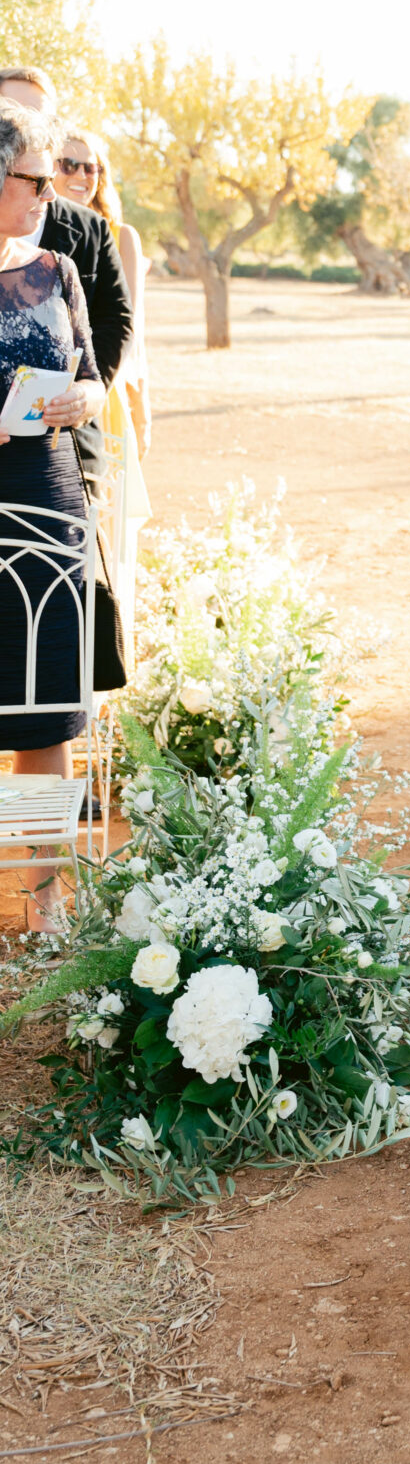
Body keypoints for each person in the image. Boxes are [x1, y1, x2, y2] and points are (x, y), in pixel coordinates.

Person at [0, 103, 105, 924]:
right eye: (33, 179)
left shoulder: (57, 269)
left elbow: (97, 375)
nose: (49, 193)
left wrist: (80, 396)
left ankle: (43, 902)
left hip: (48, 504)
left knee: (45, 714)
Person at [54, 127, 152, 632]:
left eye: (90, 167)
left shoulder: (115, 235)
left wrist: (141, 405)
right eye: (68, 164)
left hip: (103, 390)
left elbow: (128, 329)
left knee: (103, 530)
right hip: (61, 396)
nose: (81, 175)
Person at [0, 72, 131, 394]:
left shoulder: (88, 230)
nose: (27, 123)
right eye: (14, 109)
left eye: (40, 115)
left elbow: (115, 320)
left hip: (58, 428)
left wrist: (80, 393)